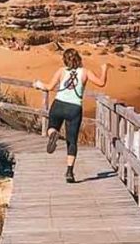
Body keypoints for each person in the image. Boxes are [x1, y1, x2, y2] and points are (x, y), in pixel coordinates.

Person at [35, 49, 108, 183]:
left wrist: (39, 85)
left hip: (59, 104)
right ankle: (69, 171)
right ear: (79, 59)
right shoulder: (85, 72)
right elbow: (101, 83)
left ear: (64, 60)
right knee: (72, 141)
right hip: (74, 108)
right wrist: (104, 69)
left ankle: (53, 134)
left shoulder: (61, 71)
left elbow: (49, 87)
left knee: (51, 126)